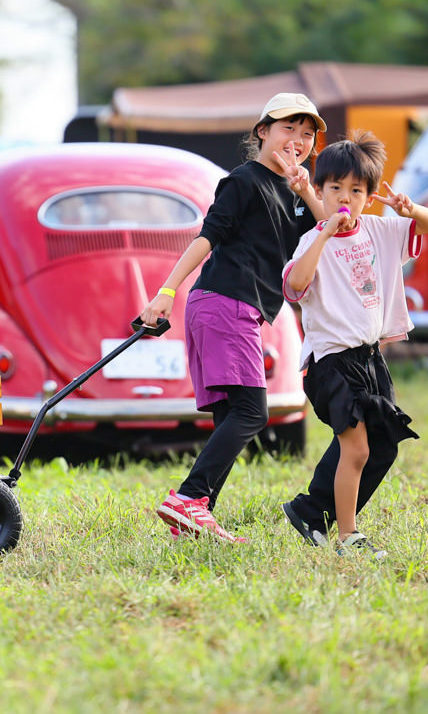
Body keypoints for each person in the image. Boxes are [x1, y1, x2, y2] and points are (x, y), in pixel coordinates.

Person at [140, 93, 328, 543]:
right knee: (251, 411)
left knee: (231, 413)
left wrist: (306, 190)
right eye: (288, 129)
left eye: (307, 135)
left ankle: (194, 517)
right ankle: (189, 497)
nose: (298, 141)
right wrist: (167, 291)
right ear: (262, 131)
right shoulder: (243, 181)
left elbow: (333, 230)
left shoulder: (297, 194)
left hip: (234, 309)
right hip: (225, 304)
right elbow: (207, 237)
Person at [279, 131, 428, 558]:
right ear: (319, 191)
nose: (345, 199)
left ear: (368, 198)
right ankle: (348, 536)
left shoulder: (379, 231)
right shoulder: (311, 243)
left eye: (356, 191)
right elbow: (295, 285)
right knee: (356, 448)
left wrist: (410, 209)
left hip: (370, 359)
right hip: (332, 363)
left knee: (382, 445)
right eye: (335, 189)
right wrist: (323, 233)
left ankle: (311, 512)